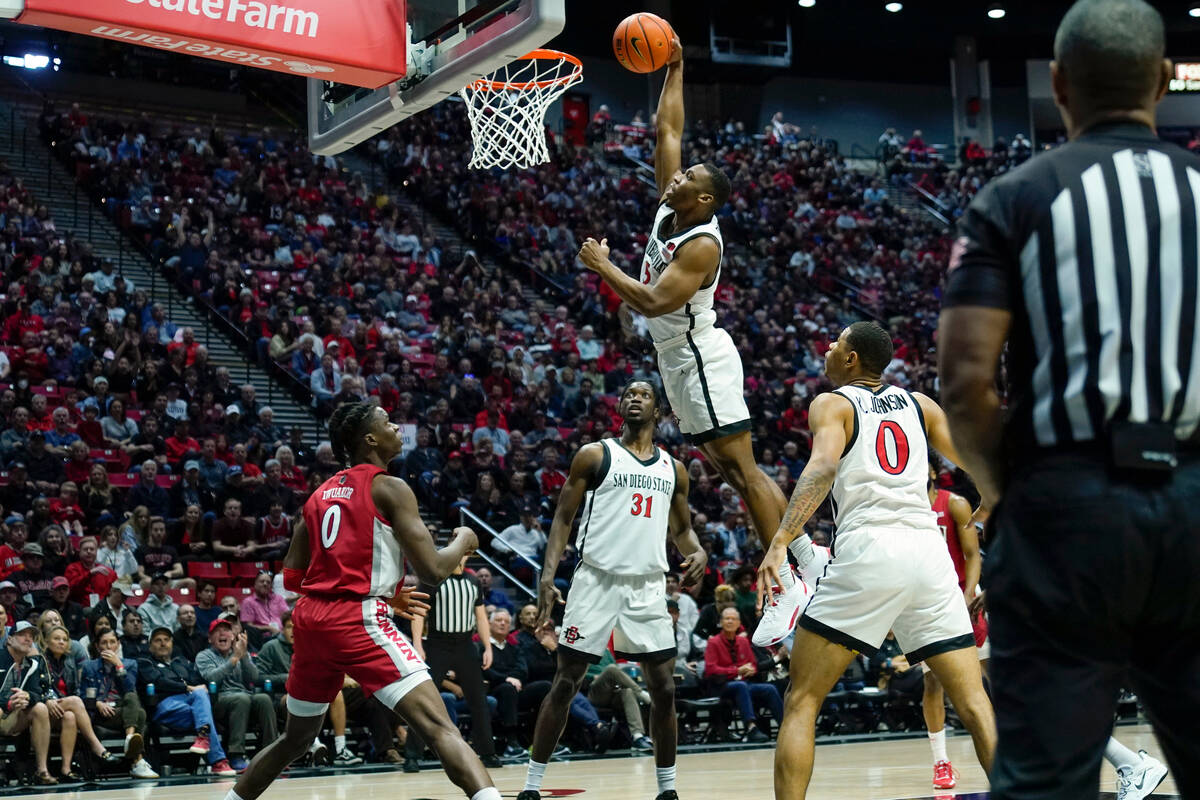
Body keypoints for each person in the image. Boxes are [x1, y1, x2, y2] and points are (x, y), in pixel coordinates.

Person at [939, 2, 1194, 798]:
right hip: (1195, 500)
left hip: (1067, 503)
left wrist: (1010, 487)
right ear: (1160, 81)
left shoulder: (1015, 197)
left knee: (1047, 780)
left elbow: (967, 380)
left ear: (1059, 84)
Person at [576, 34, 826, 643]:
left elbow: (656, 300)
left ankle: (791, 577)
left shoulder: (702, 242)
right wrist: (677, 66)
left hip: (698, 355)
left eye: (687, 176)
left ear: (704, 198)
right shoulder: (671, 207)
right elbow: (668, 129)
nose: (675, 173)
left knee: (743, 472)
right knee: (728, 470)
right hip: (674, 359)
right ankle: (809, 555)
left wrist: (603, 265)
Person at [757, 322, 996, 800]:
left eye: (835, 344)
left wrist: (783, 537)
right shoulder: (919, 404)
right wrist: (989, 498)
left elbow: (823, 466)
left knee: (802, 701)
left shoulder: (832, 402)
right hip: (929, 556)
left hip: (870, 550)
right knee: (975, 705)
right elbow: (978, 455)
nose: (827, 349)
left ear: (850, 360)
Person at [226, 402, 501, 800]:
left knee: (295, 739)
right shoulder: (390, 486)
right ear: (370, 439)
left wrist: (383, 591)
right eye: (388, 422)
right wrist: (464, 539)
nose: (396, 428)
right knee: (441, 728)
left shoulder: (319, 494)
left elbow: (291, 579)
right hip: (356, 619)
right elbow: (434, 571)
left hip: (310, 622)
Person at [519, 381, 707, 800]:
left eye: (644, 394)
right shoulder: (595, 455)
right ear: (620, 407)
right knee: (566, 683)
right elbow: (563, 519)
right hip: (596, 581)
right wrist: (548, 577)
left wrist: (699, 554)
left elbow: (682, 530)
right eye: (629, 394)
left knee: (664, 687)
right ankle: (532, 784)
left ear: (658, 411)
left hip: (646, 586)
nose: (634, 398)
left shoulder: (672, 469)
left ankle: (667, 790)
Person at [922, 462, 983, 789]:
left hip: (964, 597)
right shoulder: (906, 511)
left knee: (993, 674)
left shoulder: (954, 503)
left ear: (932, 472)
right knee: (933, 683)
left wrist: (969, 591)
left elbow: (973, 555)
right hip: (928, 606)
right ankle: (941, 761)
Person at [411, 555, 499, 769]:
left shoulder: (473, 581)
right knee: (425, 699)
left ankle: (487, 753)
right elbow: (419, 613)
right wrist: (417, 644)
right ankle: (412, 755)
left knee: (479, 700)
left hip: (466, 644)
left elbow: (480, 617)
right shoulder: (433, 580)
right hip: (437, 643)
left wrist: (487, 647)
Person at [136, 624, 237, 776]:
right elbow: (158, 681)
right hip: (164, 705)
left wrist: (194, 688)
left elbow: (197, 679)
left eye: (166, 639)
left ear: (172, 643)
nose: (163, 643)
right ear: (150, 646)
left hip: (189, 703)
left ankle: (207, 743)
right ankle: (217, 759)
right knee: (203, 707)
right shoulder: (145, 662)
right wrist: (187, 688)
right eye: (158, 640)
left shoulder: (181, 661)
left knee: (201, 697)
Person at [196, 616, 278, 771]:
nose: (223, 634)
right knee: (241, 699)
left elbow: (254, 678)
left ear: (233, 635)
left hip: (244, 696)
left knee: (263, 699)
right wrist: (234, 659)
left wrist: (244, 655)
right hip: (218, 701)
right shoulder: (204, 656)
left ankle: (270, 753)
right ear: (210, 639)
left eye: (226, 630)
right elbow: (211, 677)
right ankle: (236, 754)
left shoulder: (240, 652)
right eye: (217, 631)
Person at [78, 627, 157, 778]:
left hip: (123, 710)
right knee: (140, 714)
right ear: (97, 646)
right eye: (104, 643)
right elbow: (82, 695)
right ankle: (137, 761)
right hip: (102, 712)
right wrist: (98, 704)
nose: (108, 646)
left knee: (133, 699)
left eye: (112, 642)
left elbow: (129, 688)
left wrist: (119, 666)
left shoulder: (130, 664)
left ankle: (129, 739)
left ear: (118, 644)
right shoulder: (89, 666)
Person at [703, 607, 783, 741]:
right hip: (721, 686)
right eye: (727, 618)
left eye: (733, 619)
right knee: (741, 686)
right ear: (721, 622)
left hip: (744, 684)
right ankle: (751, 727)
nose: (730, 621)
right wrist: (736, 671)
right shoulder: (713, 642)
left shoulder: (743, 642)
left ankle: (786, 726)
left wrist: (752, 669)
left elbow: (752, 664)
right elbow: (711, 669)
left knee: (770, 689)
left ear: (739, 623)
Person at [0, 621, 58, 785]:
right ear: (9, 639)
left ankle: (42, 771)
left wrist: (27, 696)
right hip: (3, 711)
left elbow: (38, 693)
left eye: (31, 636)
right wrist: (8, 703)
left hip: (13, 718)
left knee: (40, 708)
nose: (28, 639)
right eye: (22, 635)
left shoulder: (32, 664)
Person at [239, 570, 288, 639]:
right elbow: (248, 626)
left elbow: (287, 617)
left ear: (271, 586)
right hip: (262, 638)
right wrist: (268, 628)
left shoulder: (278, 599)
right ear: (255, 584)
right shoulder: (248, 602)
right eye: (262, 581)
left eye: (268, 582)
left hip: (282, 635)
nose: (265, 584)